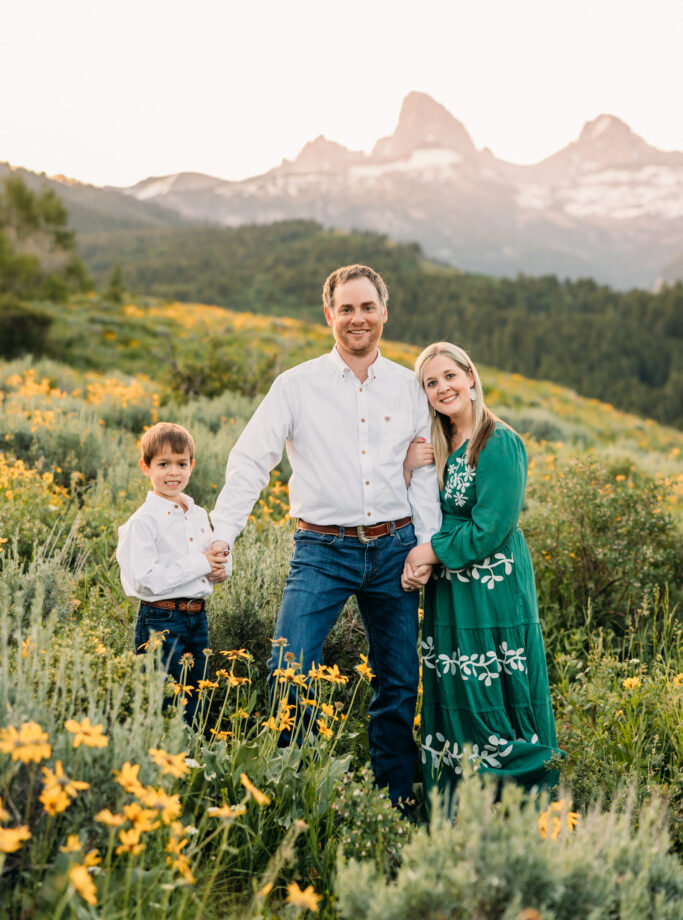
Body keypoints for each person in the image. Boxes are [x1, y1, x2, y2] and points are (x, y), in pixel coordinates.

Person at [210, 264, 441, 807]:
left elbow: (426, 472)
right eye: (346, 309)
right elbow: (250, 461)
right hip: (322, 550)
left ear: (384, 312)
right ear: (328, 314)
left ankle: (392, 799)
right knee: (289, 669)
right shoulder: (295, 386)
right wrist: (224, 532)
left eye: (367, 308)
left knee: (399, 680)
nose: (356, 318)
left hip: (395, 549)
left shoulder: (411, 387)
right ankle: (300, 788)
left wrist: (426, 545)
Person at [401, 342, 559, 807]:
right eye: (432, 383)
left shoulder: (499, 442)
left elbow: (491, 527)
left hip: (494, 588)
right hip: (451, 590)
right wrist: (410, 472)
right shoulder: (439, 444)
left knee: (492, 691)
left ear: (470, 376)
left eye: (450, 376)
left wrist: (428, 551)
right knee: (455, 688)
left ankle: (521, 803)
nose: (443, 387)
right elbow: (428, 511)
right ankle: (455, 811)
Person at [116, 421, 229, 726]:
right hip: (160, 619)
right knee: (163, 700)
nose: (173, 473)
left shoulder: (198, 514)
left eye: (181, 464)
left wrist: (219, 570)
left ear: (192, 465)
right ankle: (162, 760)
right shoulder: (144, 522)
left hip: (197, 617)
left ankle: (190, 762)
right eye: (163, 464)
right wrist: (202, 564)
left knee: (197, 697)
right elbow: (147, 580)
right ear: (146, 467)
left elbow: (210, 560)